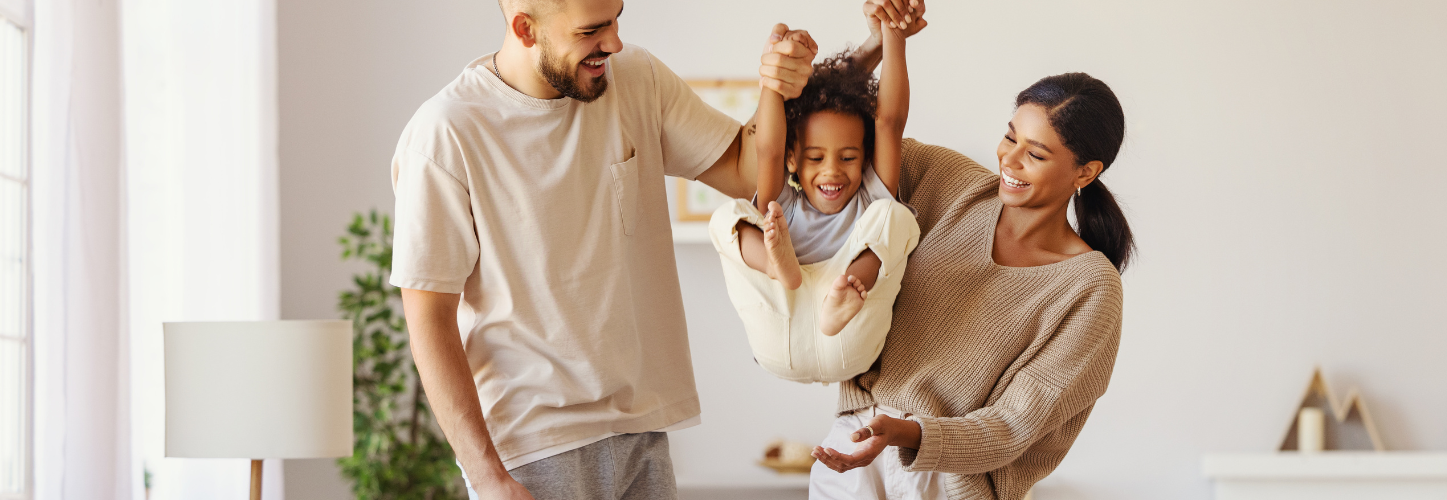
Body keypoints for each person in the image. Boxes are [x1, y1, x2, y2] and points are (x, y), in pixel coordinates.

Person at [387, 0, 819, 498]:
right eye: (591, 30)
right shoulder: (445, 134)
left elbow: (747, 173)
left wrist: (776, 90)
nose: (613, 42)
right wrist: (489, 479)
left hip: (642, 431)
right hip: (532, 450)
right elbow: (429, 322)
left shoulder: (637, 78)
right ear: (525, 29)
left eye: (617, 18)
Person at [807, 2, 1133, 499]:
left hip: (948, 481)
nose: (1010, 160)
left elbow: (1015, 425)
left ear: (1085, 172)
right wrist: (877, 43)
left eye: (1035, 154)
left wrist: (906, 433)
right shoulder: (947, 181)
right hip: (852, 445)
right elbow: (822, 134)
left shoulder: (1089, 289)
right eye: (1009, 137)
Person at [706, 10, 919, 384]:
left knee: (894, 215)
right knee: (727, 217)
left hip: (848, 329)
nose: (832, 171)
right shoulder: (782, 207)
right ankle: (775, 265)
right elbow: (768, 148)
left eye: (848, 158)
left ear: (865, 158)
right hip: (780, 325)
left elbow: (890, 122)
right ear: (792, 159)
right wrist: (772, 80)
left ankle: (850, 286)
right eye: (816, 158)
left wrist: (895, 35)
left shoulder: (871, 198)